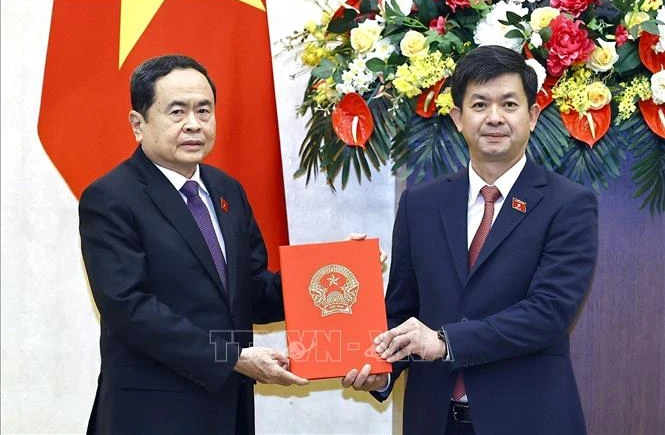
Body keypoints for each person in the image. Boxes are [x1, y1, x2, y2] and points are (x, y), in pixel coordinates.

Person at [342, 45, 599, 435]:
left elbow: (549, 313)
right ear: (458, 118)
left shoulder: (569, 204)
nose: (494, 118)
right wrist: (383, 371)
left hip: (529, 421)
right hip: (434, 422)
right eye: (479, 105)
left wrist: (445, 342)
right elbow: (402, 311)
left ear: (532, 116)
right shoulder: (421, 204)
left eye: (509, 104)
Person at [79, 54, 312, 435]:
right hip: (151, 414)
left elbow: (252, 292)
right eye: (177, 111)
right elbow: (131, 309)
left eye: (204, 110)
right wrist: (233, 358)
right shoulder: (110, 198)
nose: (194, 124)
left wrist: (332, 271)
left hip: (228, 411)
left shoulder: (227, 191)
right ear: (138, 124)